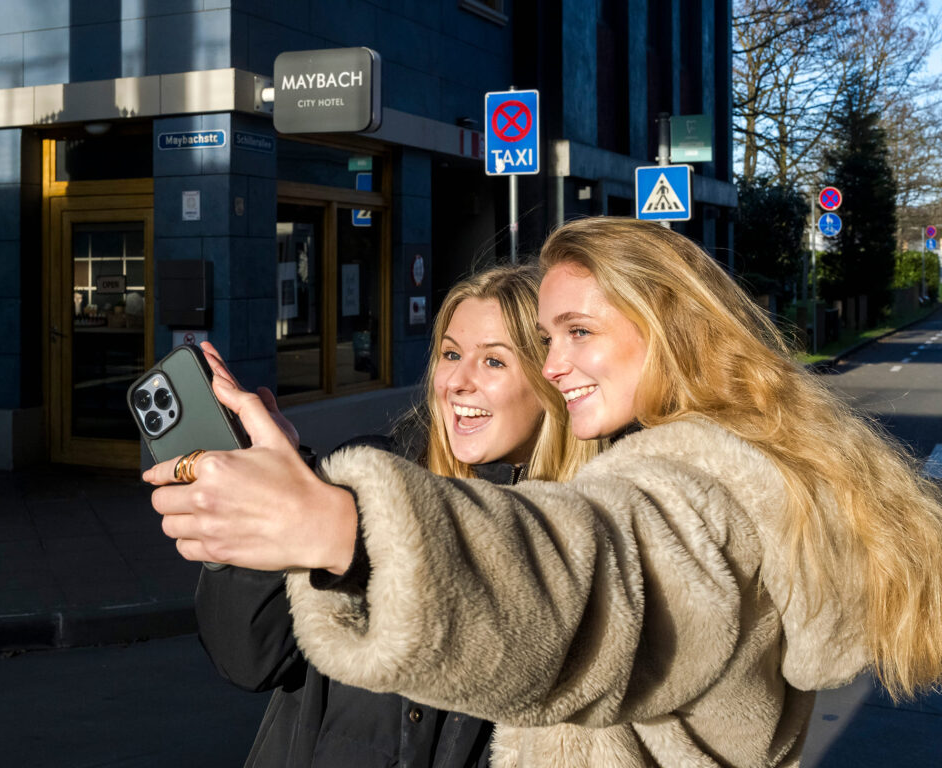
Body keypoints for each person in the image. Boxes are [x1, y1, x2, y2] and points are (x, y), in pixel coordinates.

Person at [146, 218, 942, 767]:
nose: (556, 365)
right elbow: (252, 655)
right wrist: (280, 516)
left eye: (574, 335)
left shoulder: (690, 490)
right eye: (451, 353)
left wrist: (339, 529)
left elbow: (586, 587)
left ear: (668, 328)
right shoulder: (722, 472)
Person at [187, 265, 593, 767]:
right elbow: (248, 660)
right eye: (450, 355)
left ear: (551, 378)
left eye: (493, 361)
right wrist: (259, 515)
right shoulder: (366, 477)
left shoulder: (588, 529)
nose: (457, 382)